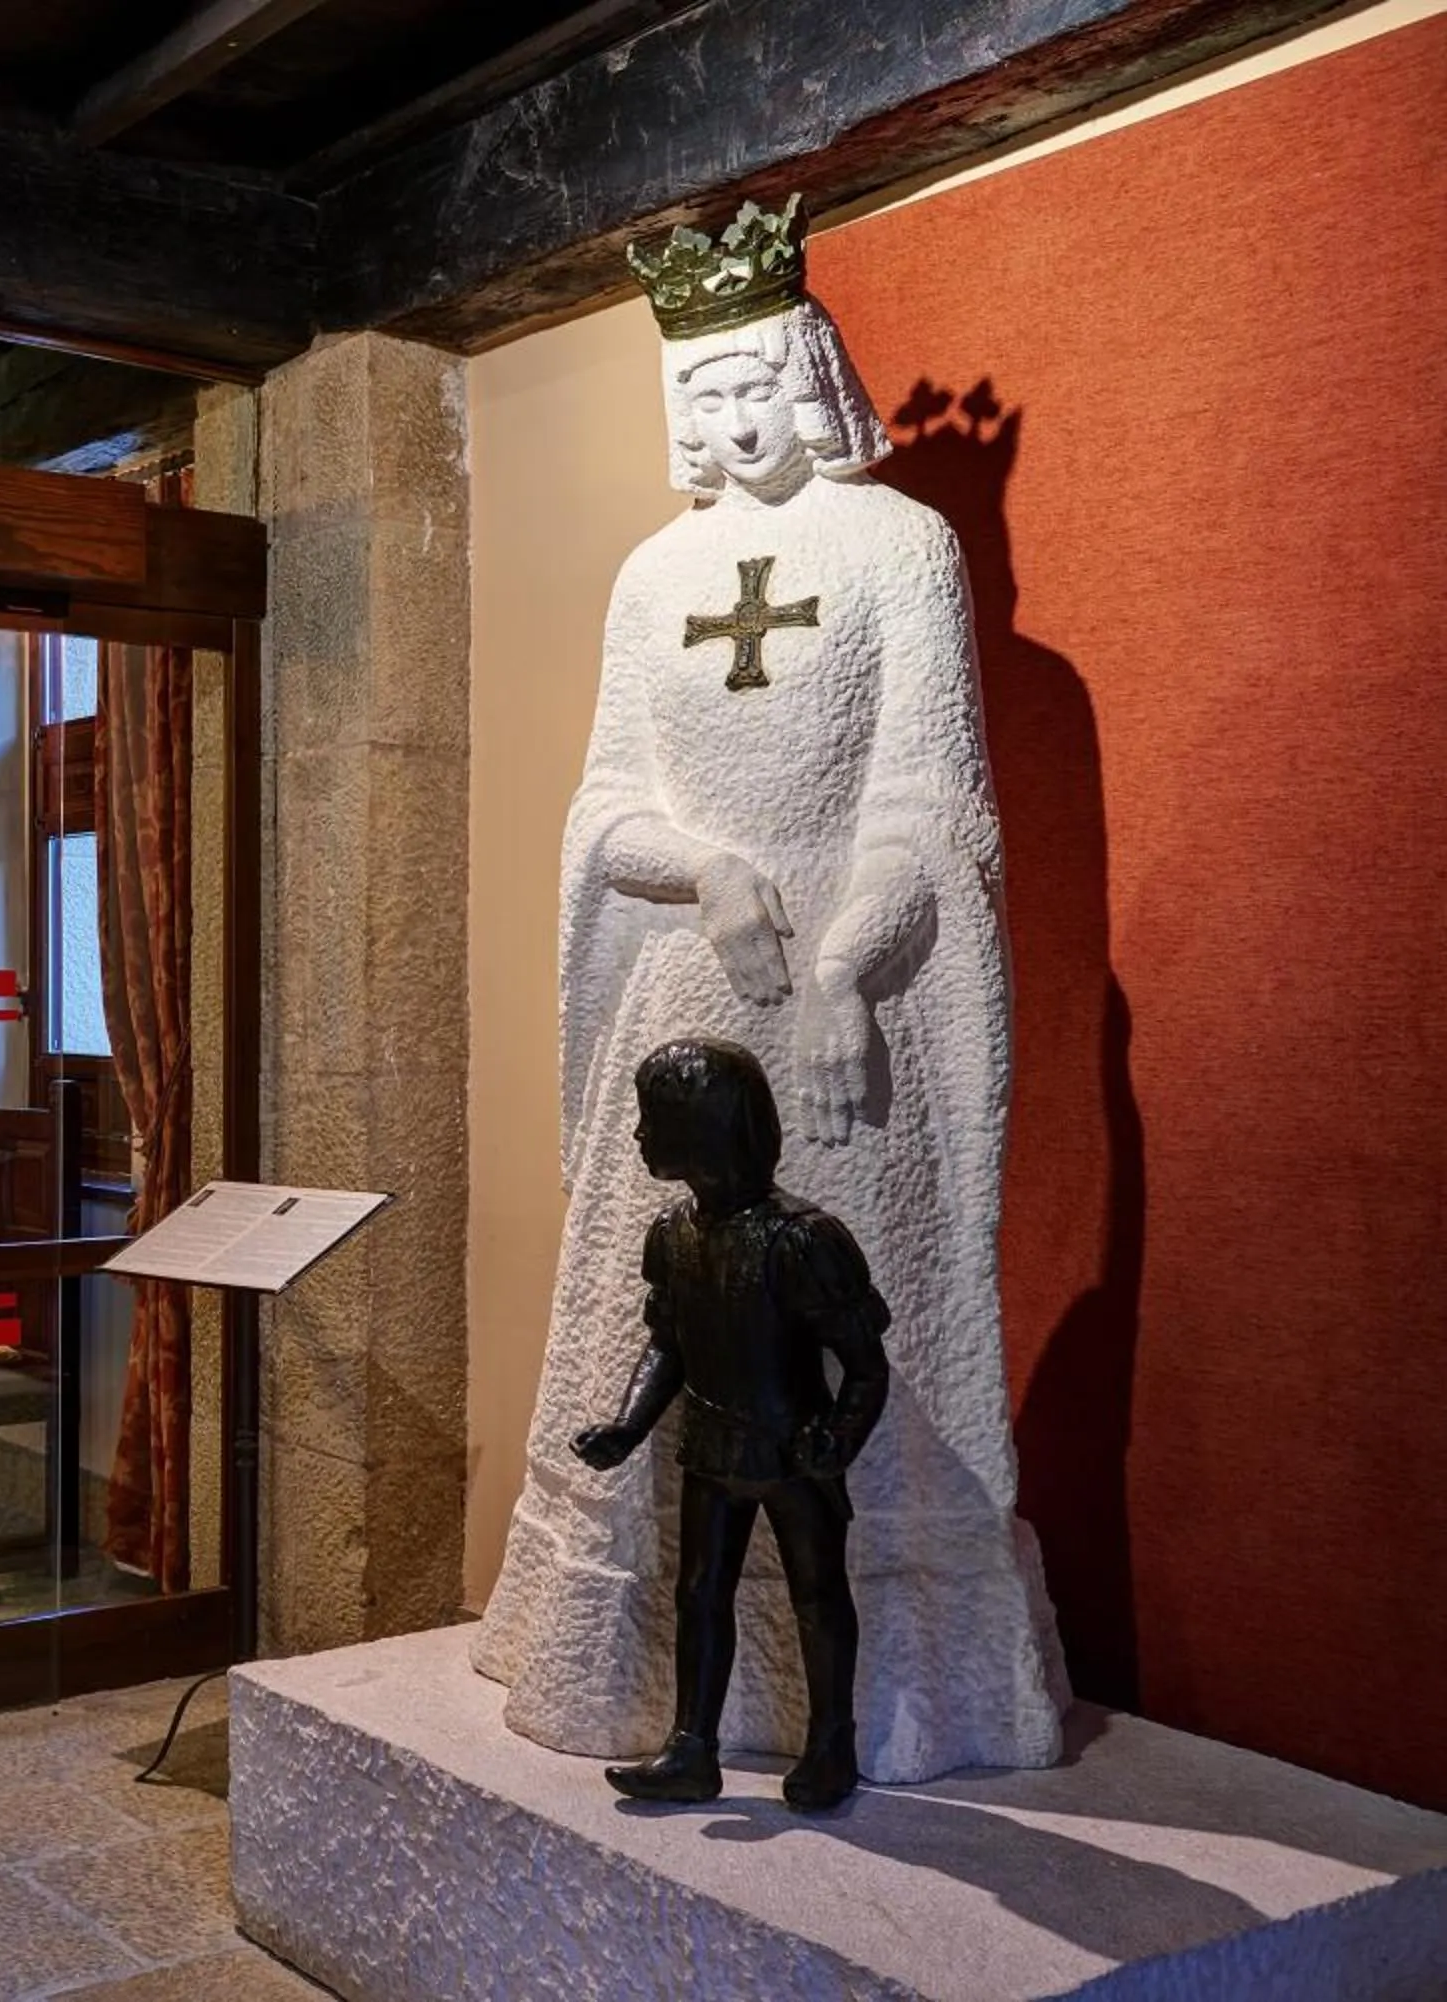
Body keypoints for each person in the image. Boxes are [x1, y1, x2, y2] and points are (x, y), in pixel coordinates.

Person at [471, 196, 1060, 1785]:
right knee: (661, 1288)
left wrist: (852, 965)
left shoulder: (900, 547)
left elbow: (929, 803)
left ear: (811, 377)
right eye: (705, 390)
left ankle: (866, 1710)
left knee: (843, 1287)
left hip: (844, 995)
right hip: (690, 977)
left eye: (757, 384)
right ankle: (648, 1690)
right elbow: (605, 811)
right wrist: (708, 870)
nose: (733, 419)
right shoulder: (651, 574)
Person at [571, 1039, 888, 1811]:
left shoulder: (801, 1238)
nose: (640, 1134)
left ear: (706, 1129)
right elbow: (668, 1344)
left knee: (817, 1594)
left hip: (793, 1452)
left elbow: (865, 1365)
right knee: (699, 1594)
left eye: (654, 1119)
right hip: (711, 1446)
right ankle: (692, 1746)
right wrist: (627, 1426)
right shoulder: (672, 1234)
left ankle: (831, 1742)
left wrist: (837, 1436)